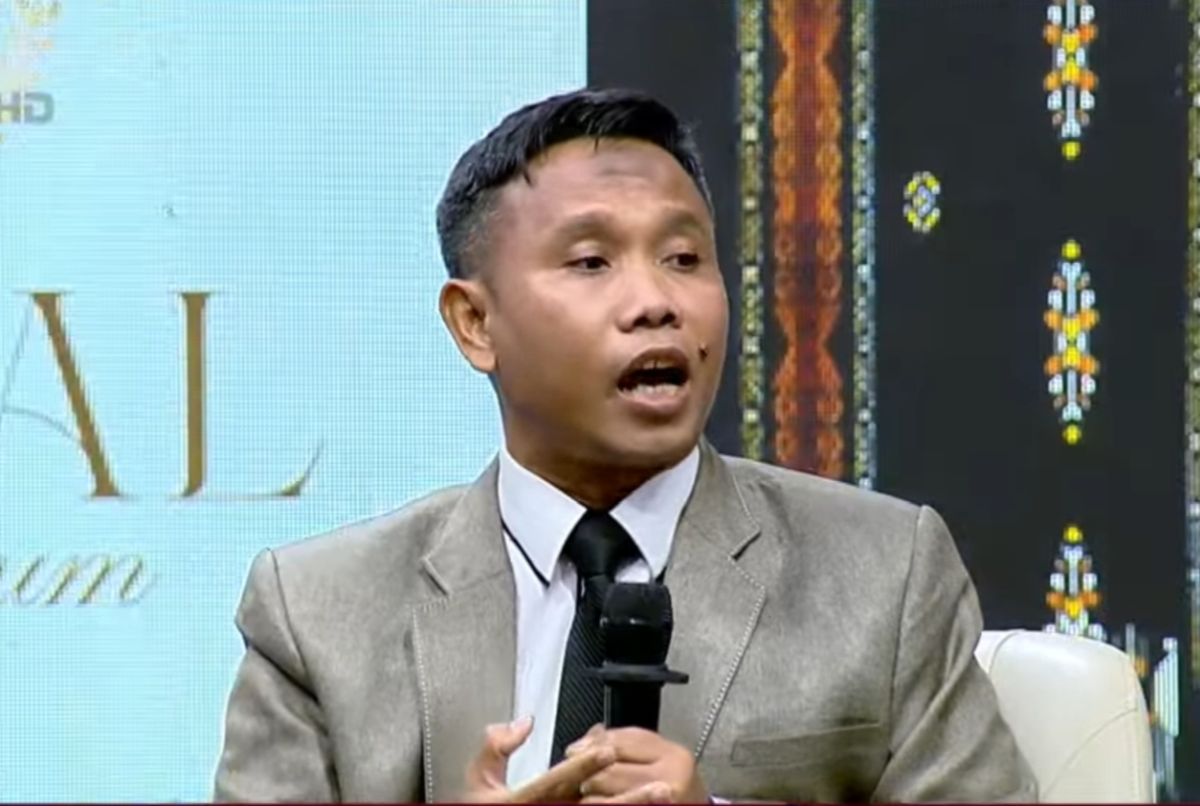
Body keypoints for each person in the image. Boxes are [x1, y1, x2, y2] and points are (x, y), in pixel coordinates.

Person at [213, 88, 1036, 803]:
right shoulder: (318, 614)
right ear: (475, 323)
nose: (655, 301)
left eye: (684, 258)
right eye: (591, 262)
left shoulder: (885, 574)